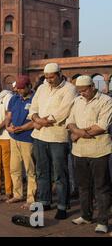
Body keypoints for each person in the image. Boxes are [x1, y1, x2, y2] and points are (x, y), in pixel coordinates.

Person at [28, 63, 77, 220]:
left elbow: (63, 112)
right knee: (42, 171)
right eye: (47, 77)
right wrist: (36, 118)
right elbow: (33, 107)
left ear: (60, 74)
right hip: (40, 136)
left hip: (57, 136)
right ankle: (44, 200)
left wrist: (43, 121)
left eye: (52, 77)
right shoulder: (42, 88)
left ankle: (62, 205)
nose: (49, 80)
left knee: (60, 173)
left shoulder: (69, 89)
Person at [67, 76, 112, 234]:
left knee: (101, 187)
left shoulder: (105, 100)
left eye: (85, 90)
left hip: (99, 150)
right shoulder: (77, 100)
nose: (82, 93)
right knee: (83, 186)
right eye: (79, 91)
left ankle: (102, 221)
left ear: (93, 86)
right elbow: (70, 121)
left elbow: (102, 126)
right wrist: (79, 132)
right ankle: (86, 215)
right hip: (79, 151)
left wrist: (77, 134)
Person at [5, 75, 37, 208]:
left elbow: (35, 120)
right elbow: (8, 114)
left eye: (21, 88)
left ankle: (31, 198)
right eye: (17, 88)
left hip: (27, 138)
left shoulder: (35, 99)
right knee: (14, 168)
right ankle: (17, 194)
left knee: (30, 169)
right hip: (14, 138)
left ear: (29, 86)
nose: (19, 91)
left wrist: (21, 128)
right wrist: (8, 126)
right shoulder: (14, 98)